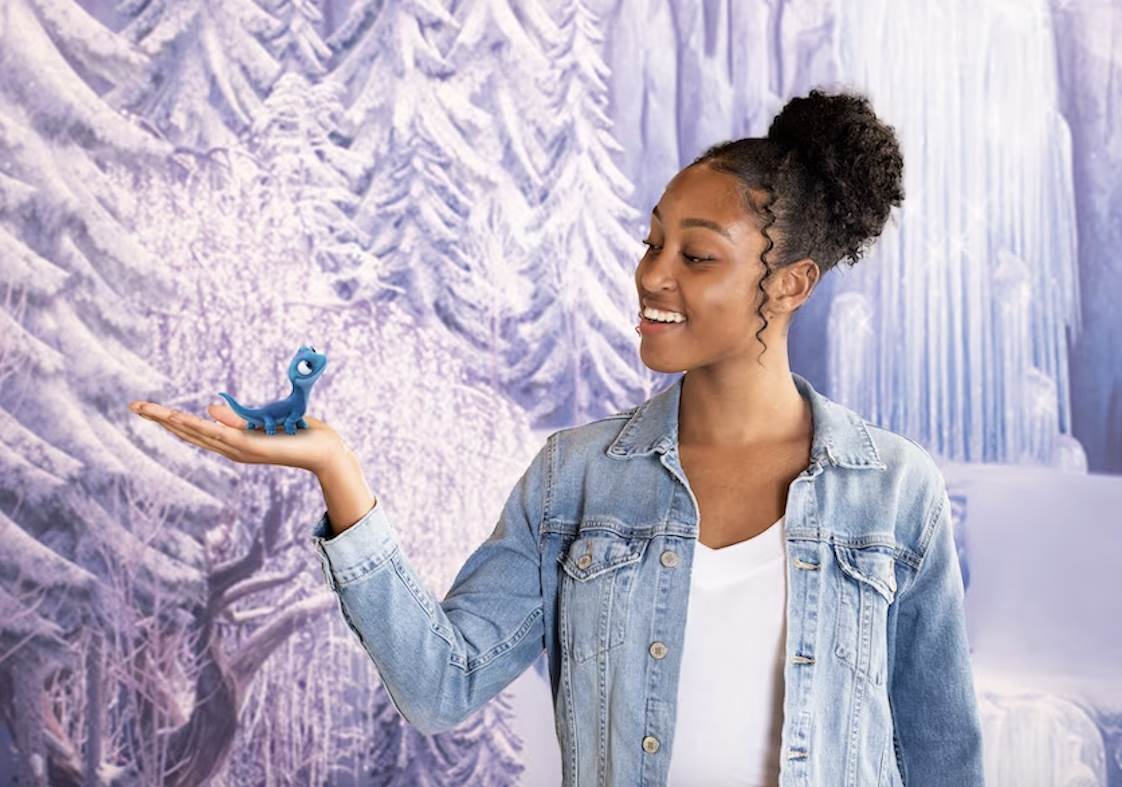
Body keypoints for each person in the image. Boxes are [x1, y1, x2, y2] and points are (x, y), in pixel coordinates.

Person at [130, 87, 985, 786]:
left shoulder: (893, 490)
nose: (651, 274)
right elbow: (440, 684)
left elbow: (941, 754)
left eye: (696, 257)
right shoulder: (576, 479)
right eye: (652, 242)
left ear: (793, 283)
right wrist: (337, 470)